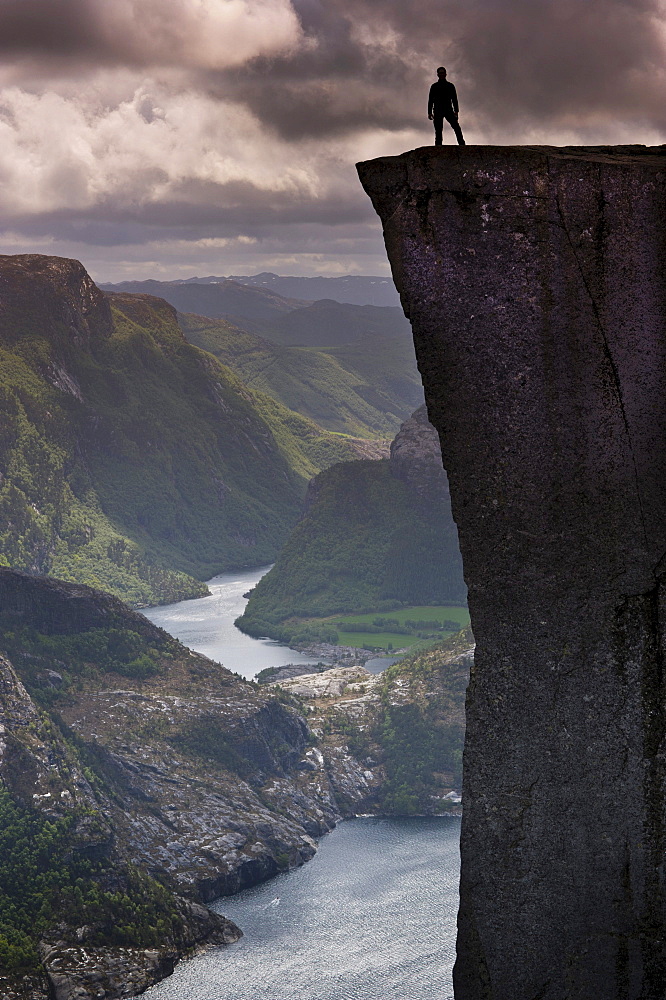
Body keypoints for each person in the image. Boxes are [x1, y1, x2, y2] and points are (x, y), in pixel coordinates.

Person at [428, 67, 465, 146]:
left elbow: (454, 99)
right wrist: (429, 112)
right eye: (440, 73)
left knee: (456, 127)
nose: (442, 74)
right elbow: (430, 100)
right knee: (438, 130)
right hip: (437, 110)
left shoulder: (450, 86)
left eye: (443, 73)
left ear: (446, 74)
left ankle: (462, 145)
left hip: (448, 110)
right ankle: (438, 147)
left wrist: (456, 111)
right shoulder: (434, 86)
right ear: (437, 74)